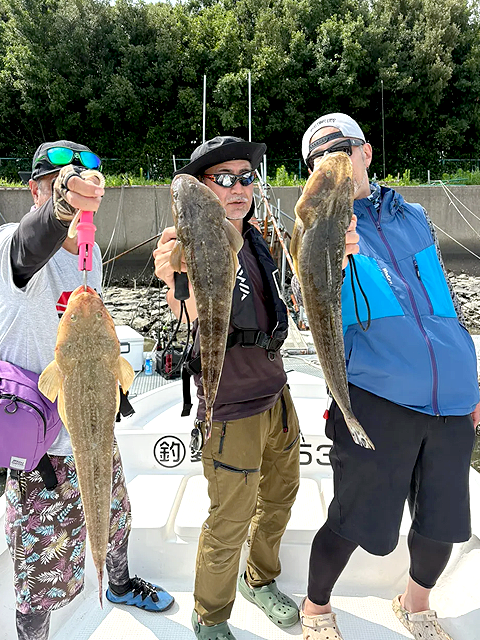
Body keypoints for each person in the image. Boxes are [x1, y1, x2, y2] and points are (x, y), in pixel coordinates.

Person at [153, 135, 359, 640]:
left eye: (246, 177)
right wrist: (176, 279)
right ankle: (210, 616)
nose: (238, 188)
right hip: (229, 409)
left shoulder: (260, 240)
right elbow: (187, 313)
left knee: (281, 498)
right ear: (202, 188)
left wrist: (337, 258)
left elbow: (300, 297)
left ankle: (259, 580)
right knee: (229, 521)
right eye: (224, 178)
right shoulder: (187, 244)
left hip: (277, 394)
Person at [296, 114, 480, 640]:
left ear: (366, 152)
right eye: (317, 157)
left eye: (341, 147)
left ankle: (415, 603)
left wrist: (470, 382)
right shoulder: (312, 227)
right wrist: (333, 261)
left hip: (450, 400)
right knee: (352, 520)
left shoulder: (415, 216)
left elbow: (443, 302)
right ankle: (315, 608)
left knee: (443, 524)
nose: (332, 159)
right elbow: (307, 313)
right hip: (375, 398)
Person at [0, 141, 174, 640]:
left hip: (94, 425)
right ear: (34, 190)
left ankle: (116, 582)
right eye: (56, 185)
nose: (76, 206)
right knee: (41, 571)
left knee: (116, 514)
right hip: (39, 452)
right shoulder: (11, 244)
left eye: (80, 190)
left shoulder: (89, 253)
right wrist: (61, 206)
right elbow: (30, 243)